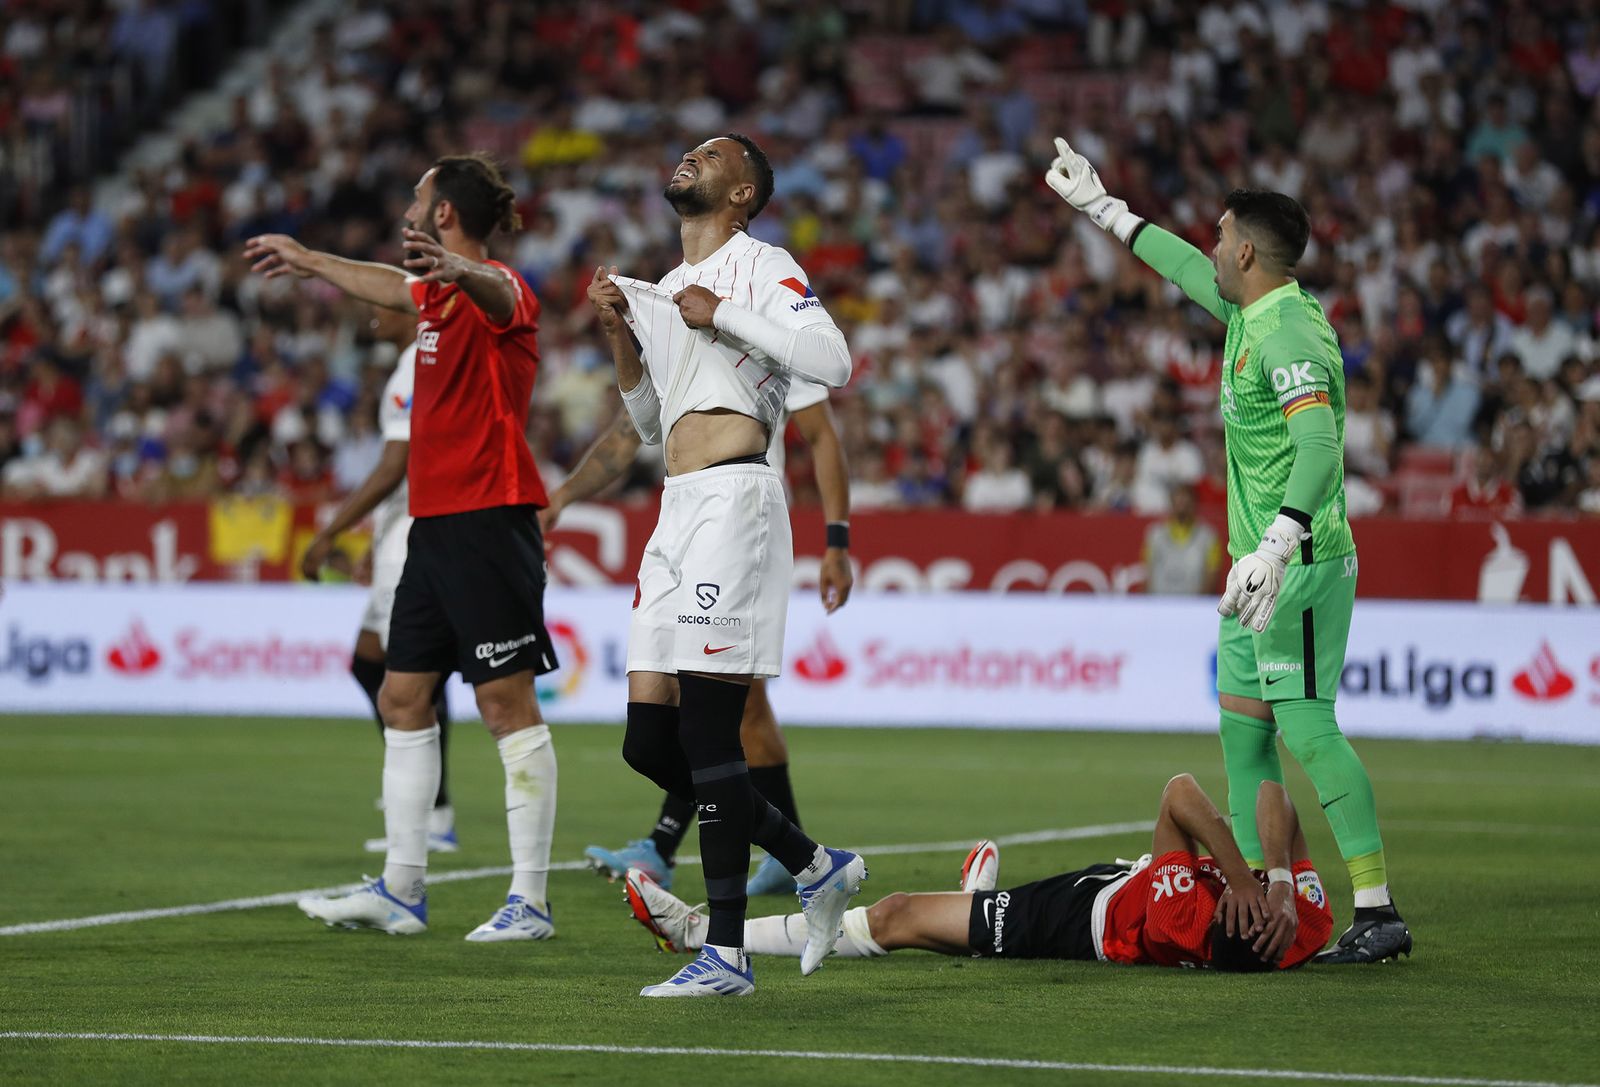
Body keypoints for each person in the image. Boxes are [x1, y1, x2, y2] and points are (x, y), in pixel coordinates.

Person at [1044, 137, 1412, 965]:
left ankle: (1379, 909)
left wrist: (1279, 543)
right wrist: (1104, 209)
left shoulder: (1286, 334)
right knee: (1243, 734)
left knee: (1308, 726)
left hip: (1298, 562)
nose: (1207, 245)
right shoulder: (1255, 310)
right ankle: (1261, 896)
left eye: (1217, 234)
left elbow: (1318, 445)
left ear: (1245, 249)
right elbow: (1179, 269)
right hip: (1253, 570)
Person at [245, 153, 562, 942]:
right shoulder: (430, 298)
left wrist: (463, 268)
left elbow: (492, 289)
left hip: (491, 518)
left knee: (504, 703)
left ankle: (530, 900)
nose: (410, 208)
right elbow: (383, 285)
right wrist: (308, 258)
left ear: (446, 215)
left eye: (420, 198)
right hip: (433, 524)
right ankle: (400, 888)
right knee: (400, 694)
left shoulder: (502, 290)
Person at [589, 133, 864, 997]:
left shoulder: (761, 266)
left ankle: (729, 955)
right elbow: (646, 423)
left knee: (712, 731)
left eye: (709, 157)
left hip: (737, 502)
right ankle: (812, 861)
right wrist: (622, 341)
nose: (687, 159)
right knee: (647, 739)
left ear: (742, 192)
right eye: (687, 152)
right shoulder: (668, 287)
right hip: (675, 509)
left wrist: (725, 314)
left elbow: (835, 361)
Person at [544, 374, 853, 897]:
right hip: (689, 521)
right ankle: (786, 852)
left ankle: (667, 848)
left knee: (710, 706)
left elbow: (821, 435)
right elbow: (627, 434)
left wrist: (837, 541)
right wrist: (562, 498)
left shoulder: (766, 325)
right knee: (743, 710)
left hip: (744, 527)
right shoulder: (671, 333)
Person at [625, 774, 1336, 973]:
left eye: (1231, 908)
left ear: (1219, 925)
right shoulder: (1300, 927)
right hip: (1112, 884)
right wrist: (1272, 879)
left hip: (1069, 922)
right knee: (927, 917)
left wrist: (1241, 882)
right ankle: (974, 897)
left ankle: (699, 931)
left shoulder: (1184, 920)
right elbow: (1277, 798)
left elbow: (1181, 792)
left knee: (898, 914)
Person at [300, 305, 456, 856]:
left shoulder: (418, 360)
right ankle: (429, 801)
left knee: (408, 678)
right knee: (369, 663)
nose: (368, 314)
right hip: (399, 528)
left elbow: (397, 464)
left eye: (382, 306)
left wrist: (330, 533)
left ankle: (429, 812)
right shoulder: (411, 362)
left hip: (412, 530)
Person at [1143, 482, 1221, 595]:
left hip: (1194, 606)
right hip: (1160, 605)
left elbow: (1211, 576)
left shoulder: (1209, 537)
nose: (1182, 506)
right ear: (1171, 503)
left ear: (1194, 503)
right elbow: (1149, 573)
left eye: (1186, 502)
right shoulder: (1155, 535)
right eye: (1179, 501)